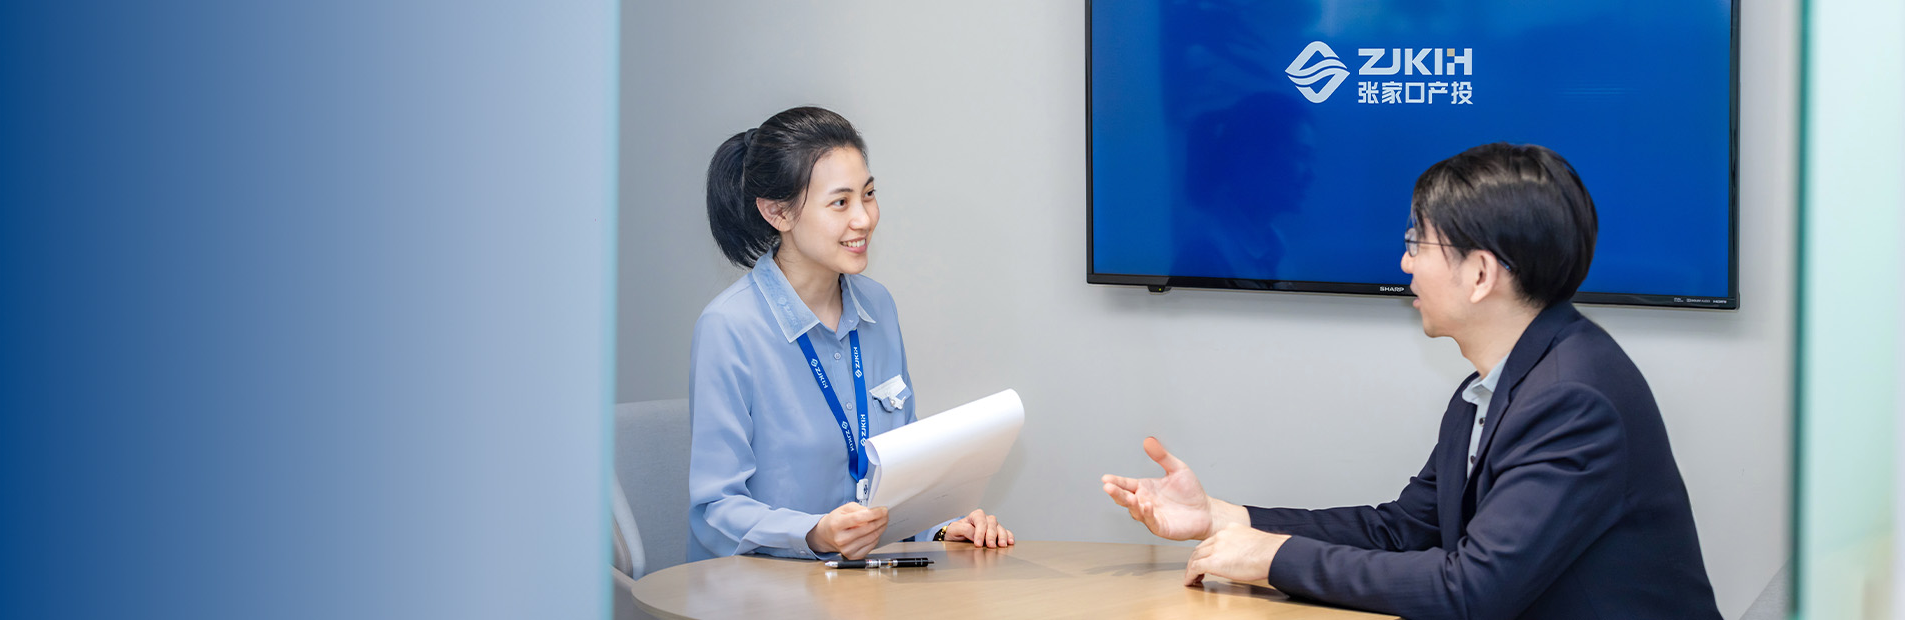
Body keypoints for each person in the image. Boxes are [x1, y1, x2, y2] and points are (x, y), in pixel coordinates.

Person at [1100, 143, 1722, 619]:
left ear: (1480, 274)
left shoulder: (1571, 400)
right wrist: (1220, 517)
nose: (1404, 264)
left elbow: (1473, 589)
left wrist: (1273, 558)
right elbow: (1402, 530)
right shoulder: (1495, 384)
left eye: (1417, 243)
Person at [688, 106, 1013, 561]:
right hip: (761, 586)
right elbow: (714, 510)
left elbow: (902, 470)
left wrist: (942, 526)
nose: (864, 218)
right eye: (840, 202)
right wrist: (813, 534)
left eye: (869, 194)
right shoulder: (729, 327)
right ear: (778, 212)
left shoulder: (878, 306)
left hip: (863, 584)